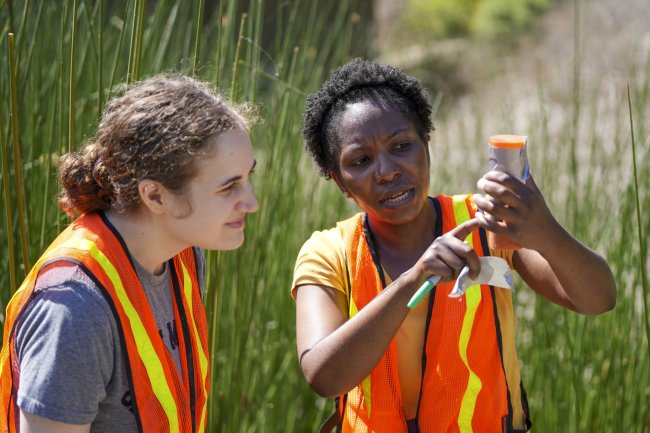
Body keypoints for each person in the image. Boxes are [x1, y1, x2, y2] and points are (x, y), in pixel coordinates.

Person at [292, 58, 616, 433]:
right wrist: (415, 279)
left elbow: (598, 300)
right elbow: (323, 376)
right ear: (339, 182)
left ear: (426, 143)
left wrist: (544, 229)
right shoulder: (327, 253)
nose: (387, 171)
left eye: (401, 146)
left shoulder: (484, 224)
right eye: (361, 160)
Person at [0, 75, 259, 433]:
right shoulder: (74, 311)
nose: (252, 202)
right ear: (155, 196)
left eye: (248, 177)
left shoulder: (184, 254)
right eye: (229, 186)